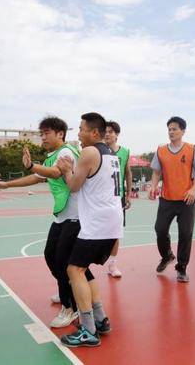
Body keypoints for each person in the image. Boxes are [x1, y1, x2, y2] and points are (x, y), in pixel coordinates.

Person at [0, 117, 82, 328]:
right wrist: (7, 185)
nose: (42, 137)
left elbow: (55, 173)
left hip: (76, 216)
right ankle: (67, 289)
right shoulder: (53, 156)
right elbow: (39, 177)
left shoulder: (66, 153)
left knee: (62, 262)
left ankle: (70, 307)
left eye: (46, 133)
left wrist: (32, 165)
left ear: (60, 134)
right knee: (51, 256)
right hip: (62, 216)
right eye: (41, 134)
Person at [56, 112, 123, 347]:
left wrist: (66, 170)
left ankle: (88, 329)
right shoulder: (111, 154)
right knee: (82, 270)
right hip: (112, 221)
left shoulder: (90, 152)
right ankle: (100, 319)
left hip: (97, 223)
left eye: (81, 129)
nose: (78, 134)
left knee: (74, 270)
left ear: (94, 132)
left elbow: (74, 186)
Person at [149, 116, 195, 283]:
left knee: (185, 234)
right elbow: (156, 172)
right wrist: (153, 186)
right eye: (169, 129)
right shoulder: (161, 150)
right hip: (167, 198)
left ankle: (182, 268)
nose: (171, 132)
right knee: (160, 230)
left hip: (186, 200)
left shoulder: (192, 149)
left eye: (174, 129)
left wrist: (193, 190)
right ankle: (167, 256)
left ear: (183, 131)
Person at [104, 120, 132, 278]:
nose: (107, 134)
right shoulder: (98, 151)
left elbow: (128, 173)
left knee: (115, 232)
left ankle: (112, 264)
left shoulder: (125, 152)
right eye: (105, 131)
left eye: (110, 132)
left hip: (117, 198)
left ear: (117, 135)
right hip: (101, 198)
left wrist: (128, 194)